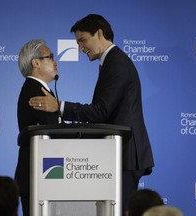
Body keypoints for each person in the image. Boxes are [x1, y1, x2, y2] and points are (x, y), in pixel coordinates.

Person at [29, 14, 154, 215]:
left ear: (99, 33)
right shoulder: (111, 62)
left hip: (126, 152)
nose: (80, 48)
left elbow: (100, 111)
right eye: (78, 43)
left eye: (83, 41)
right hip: (117, 152)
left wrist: (59, 106)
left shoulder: (117, 62)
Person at [14, 39, 59, 216]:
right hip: (38, 178)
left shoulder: (40, 89)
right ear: (36, 62)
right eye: (50, 57)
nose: (55, 62)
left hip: (42, 177)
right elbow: (53, 131)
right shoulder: (36, 91)